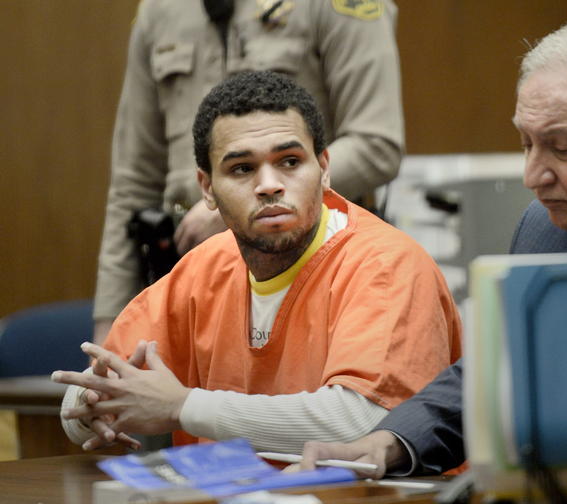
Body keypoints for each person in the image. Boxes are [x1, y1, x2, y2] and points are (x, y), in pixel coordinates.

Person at [298, 17, 567, 478]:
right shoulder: (543, 228)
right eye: (526, 144)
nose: (532, 176)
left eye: (561, 148)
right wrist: (390, 443)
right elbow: (497, 370)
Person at [52, 70, 460, 453]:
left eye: (290, 162)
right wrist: (91, 408)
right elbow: (89, 394)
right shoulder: (204, 267)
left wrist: (182, 407)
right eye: (242, 168)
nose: (269, 185)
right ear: (207, 189)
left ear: (324, 169)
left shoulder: (385, 265)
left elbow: (363, 422)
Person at [94, 0, 405, 344]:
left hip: (307, 264)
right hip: (185, 266)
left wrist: (234, 205)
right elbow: (133, 183)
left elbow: (376, 144)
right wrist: (111, 321)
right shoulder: (159, 9)